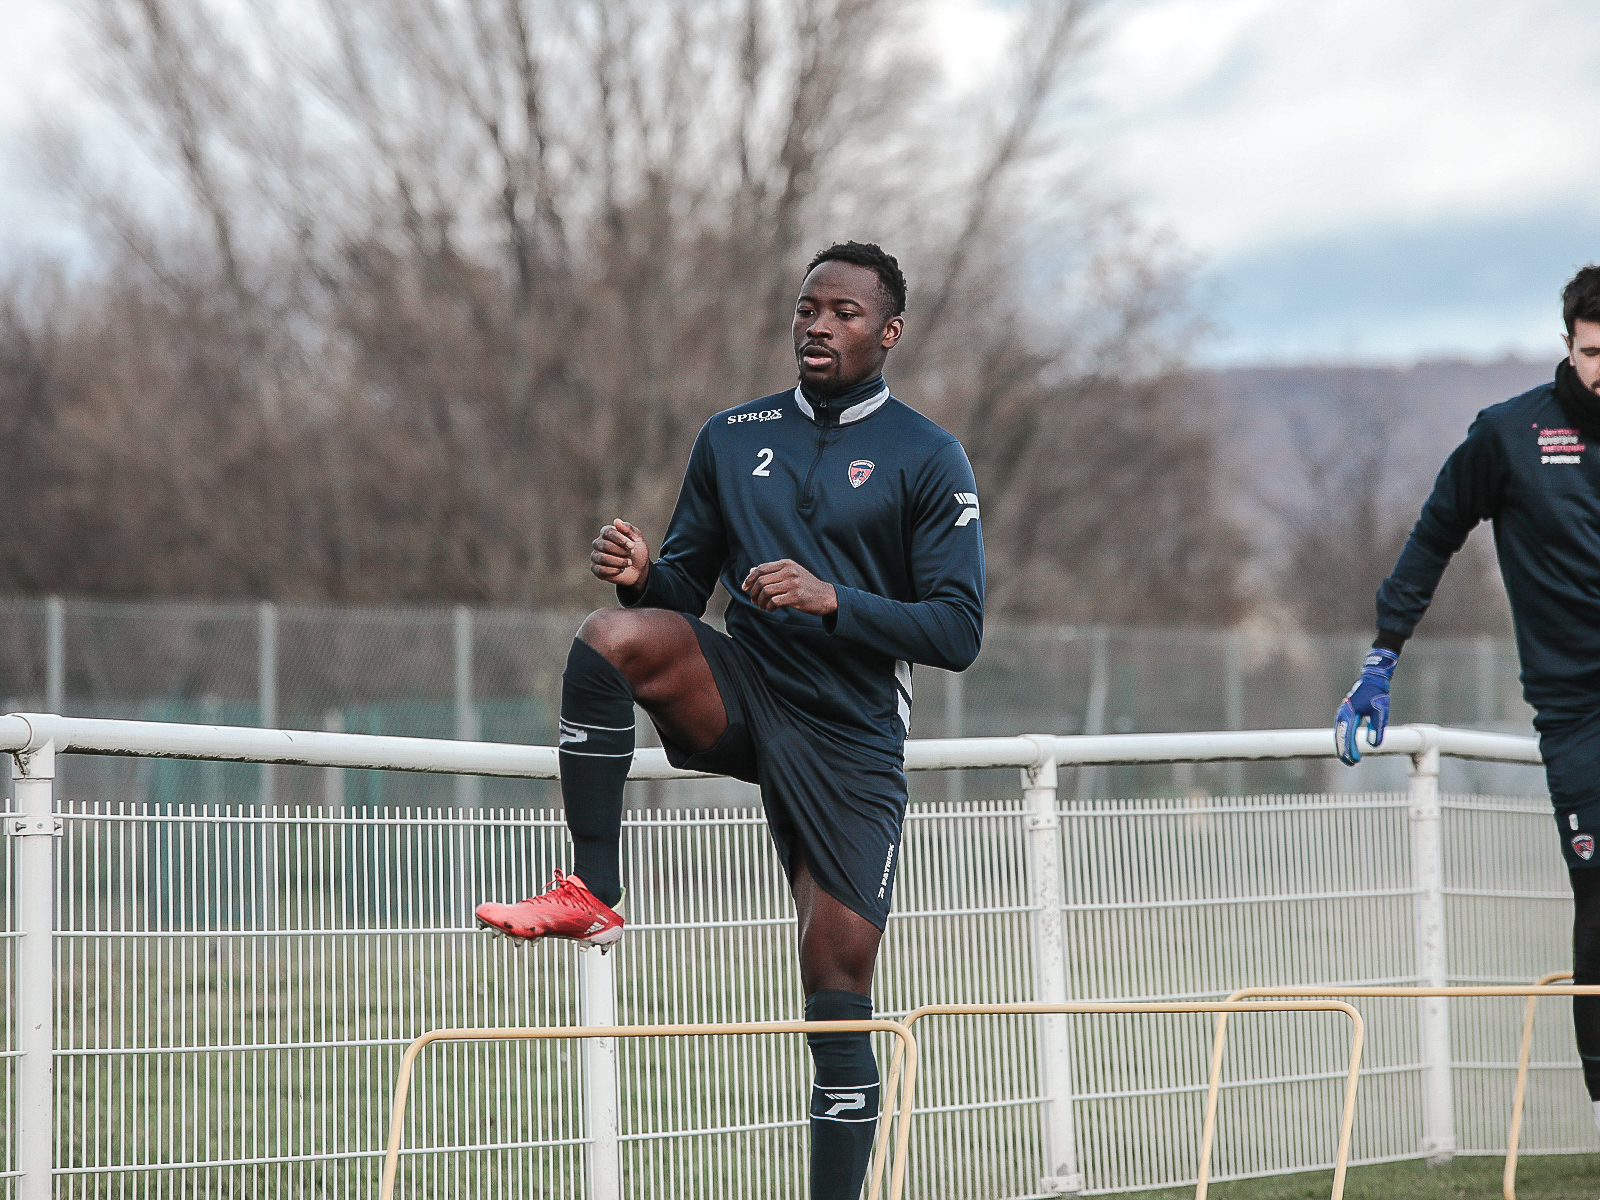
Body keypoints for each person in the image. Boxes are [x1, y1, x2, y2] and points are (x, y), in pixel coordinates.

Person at [476, 241, 985, 1197]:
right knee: (612, 635)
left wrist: (831, 598)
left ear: (890, 332)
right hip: (745, 691)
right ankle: (590, 887)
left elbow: (959, 630)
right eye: (807, 309)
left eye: (842, 313)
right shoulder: (731, 434)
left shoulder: (930, 454)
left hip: (851, 737)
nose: (818, 326)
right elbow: (684, 584)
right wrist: (640, 573)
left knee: (835, 987)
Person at [1334, 263, 1600, 1135]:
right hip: (1579, 711)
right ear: (1569, 345)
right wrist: (1382, 656)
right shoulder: (1511, 435)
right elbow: (1433, 536)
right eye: (1595, 352)